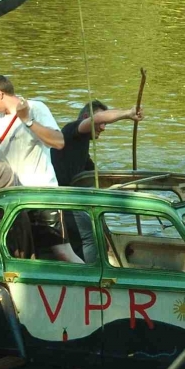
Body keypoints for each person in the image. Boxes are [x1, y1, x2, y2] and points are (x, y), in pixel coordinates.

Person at [0, 74, 81, 263]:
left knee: (61, 252)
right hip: (16, 196)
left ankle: (95, 288)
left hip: (41, 193)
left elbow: (58, 142)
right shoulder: (0, 117)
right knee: (21, 253)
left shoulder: (35, 107)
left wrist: (28, 121)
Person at [51, 100, 144, 262]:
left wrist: (127, 185)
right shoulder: (71, 130)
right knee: (90, 238)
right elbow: (99, 118)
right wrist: (128, 113)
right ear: (87, 118)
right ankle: (91, 274)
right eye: (101, 123)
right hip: (65, 202)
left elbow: (96, 176)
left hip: (74, 201)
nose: (103, 128)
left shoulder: (81, 145)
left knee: (97, 231)